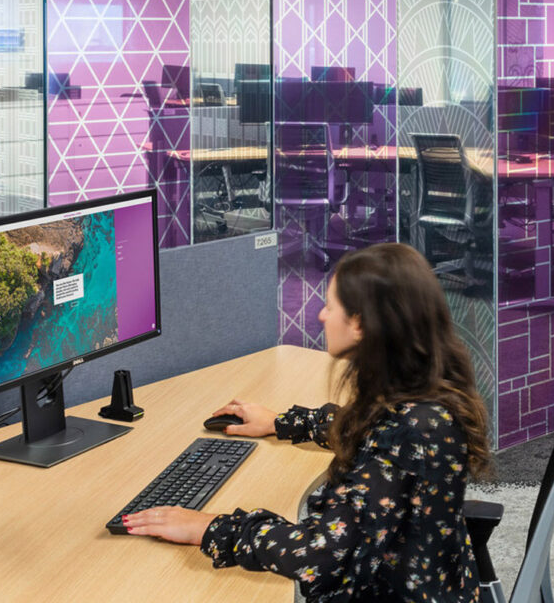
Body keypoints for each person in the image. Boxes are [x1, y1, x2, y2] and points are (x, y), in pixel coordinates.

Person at [124, 242, 494, 602]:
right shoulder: (423, 398)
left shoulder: (414, 428)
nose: (321, 315)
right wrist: (284, 422)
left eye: (331, 307)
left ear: (361, 324)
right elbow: (372, 435)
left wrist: (211, 528)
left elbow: (321, 554)